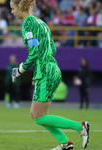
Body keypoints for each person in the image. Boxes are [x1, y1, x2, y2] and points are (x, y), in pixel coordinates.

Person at [10, 0, 90, 150]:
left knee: (39, 117)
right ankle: (65, 143)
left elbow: (34, 53)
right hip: (51, 68)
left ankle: (80, 126)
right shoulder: (41, 23)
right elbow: (52, 48)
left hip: (45, 72)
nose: (12, 12)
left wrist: (20, 69)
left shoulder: (27, 24)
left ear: (20, 7)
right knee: (35, 114)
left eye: (12, 8)